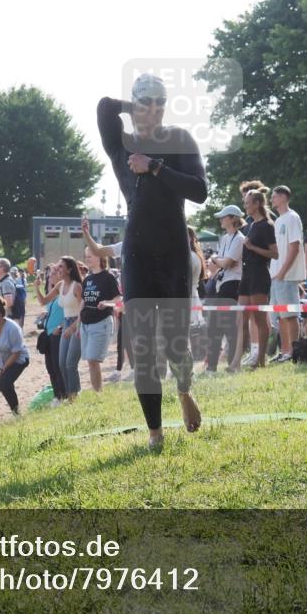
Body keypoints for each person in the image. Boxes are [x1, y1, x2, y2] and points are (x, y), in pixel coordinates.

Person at [97, 74, 206, 448]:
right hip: (137, 254)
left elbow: (200, 191)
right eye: (147, 103)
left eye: (160, 103)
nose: (155, 110)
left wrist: (156, 167)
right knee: (142, 348)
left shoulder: (180, 140)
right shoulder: (121, 145)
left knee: (176, 344)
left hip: (174, 252)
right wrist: (134, 108)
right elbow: (104, 107)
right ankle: (155, 433)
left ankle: (184, 389)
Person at [236, 189, 278, 369]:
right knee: (241, 317)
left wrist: (252, 247)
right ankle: (237, 359)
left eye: (247, 202)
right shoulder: (250, 225)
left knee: (259, 319)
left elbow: (274, 254)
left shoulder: (267, 225)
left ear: (257, 204)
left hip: (259, 274)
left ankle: (261, 359)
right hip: (246, 274)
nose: (245, 205)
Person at [205, 205, 246, 373]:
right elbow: (218, 264)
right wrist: (218, 261)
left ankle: (230, 365)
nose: (221, 220)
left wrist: (216, 260)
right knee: (213, 327)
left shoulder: (239, 238)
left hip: (232, 284)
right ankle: (212, 366)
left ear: (233, 218)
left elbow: (226, 263)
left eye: (224, 217)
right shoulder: (225, 238)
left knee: (228, 328)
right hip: (221, 284)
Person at [269, 185, 306, 363]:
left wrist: (283, 271)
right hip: (275, 275)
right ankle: (285, 352)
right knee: (280, 317)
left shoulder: (292, 217)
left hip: (287, 275)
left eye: (274, 196)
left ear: (283, 197)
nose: (271, 199)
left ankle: (294, 351)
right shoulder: (278, 221)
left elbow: (294, 246)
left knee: (290, 315)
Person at [79, 247, 121, 392]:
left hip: (101, 322)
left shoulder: (108, 277)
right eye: (86, 256)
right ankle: (96, 392)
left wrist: (107, 303)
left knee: (93, 359)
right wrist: (78, 324)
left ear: (100, 258)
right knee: (90, 361)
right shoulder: (87, 279)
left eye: (90, 256)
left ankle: (98, 393)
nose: (87, 259)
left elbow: (118, 299)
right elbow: (83, 302)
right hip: (85, 323)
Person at [37, 262, 67, 402]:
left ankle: (63, 395)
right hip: (48, 333)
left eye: (54, 274)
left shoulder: (65, 292)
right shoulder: (53, 293)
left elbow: (71, 313)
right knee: (50, 367)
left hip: (58, 334)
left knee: (58, 366)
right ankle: (57, 395)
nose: (50, 276)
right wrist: (37, 288)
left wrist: (60, 327)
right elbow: (43, 302)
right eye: (49, 274)